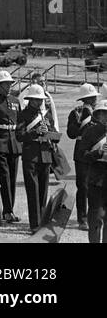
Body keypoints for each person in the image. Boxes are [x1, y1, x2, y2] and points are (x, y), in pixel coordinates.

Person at [16, 84, 60, 234]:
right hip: (31, 156)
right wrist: (35, 132)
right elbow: (19, 135)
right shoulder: (23, 114)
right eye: (36, 100)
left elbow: (56, 138)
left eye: (40, 99)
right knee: (32, 191)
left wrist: (48, 132)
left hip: (45, 156)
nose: (39, 102)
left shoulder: (46, 115)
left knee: (43, 191)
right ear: (31, 99)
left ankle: (42, 221)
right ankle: (34, 224)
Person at [67, 83, 100, 231]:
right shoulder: (76, 112)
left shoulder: (100, 112)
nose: (94, 100)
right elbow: (71, 133)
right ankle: (83, 218)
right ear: (85, 99)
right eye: (91, 97)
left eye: (94, 97)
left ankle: (97, 215)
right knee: (83, 186)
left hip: (98, 152)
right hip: (81, 152)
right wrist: (82, 119)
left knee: (98, 185)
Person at [0, 70, 21, 224]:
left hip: (14, 143)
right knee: (4, 177)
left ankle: (9, 210)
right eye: (5, 84)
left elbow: (20, 122)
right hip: (0, 141)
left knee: (13, 178)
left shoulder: (15, 101)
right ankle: (8, 210)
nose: (9, 87)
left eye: (10, 84)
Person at [77, 99, 107, 244]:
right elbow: (82, 155)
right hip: (97, 179)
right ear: (99, 115)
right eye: (104, 114)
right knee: (96, 218)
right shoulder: (91, 132)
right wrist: (98, 153)